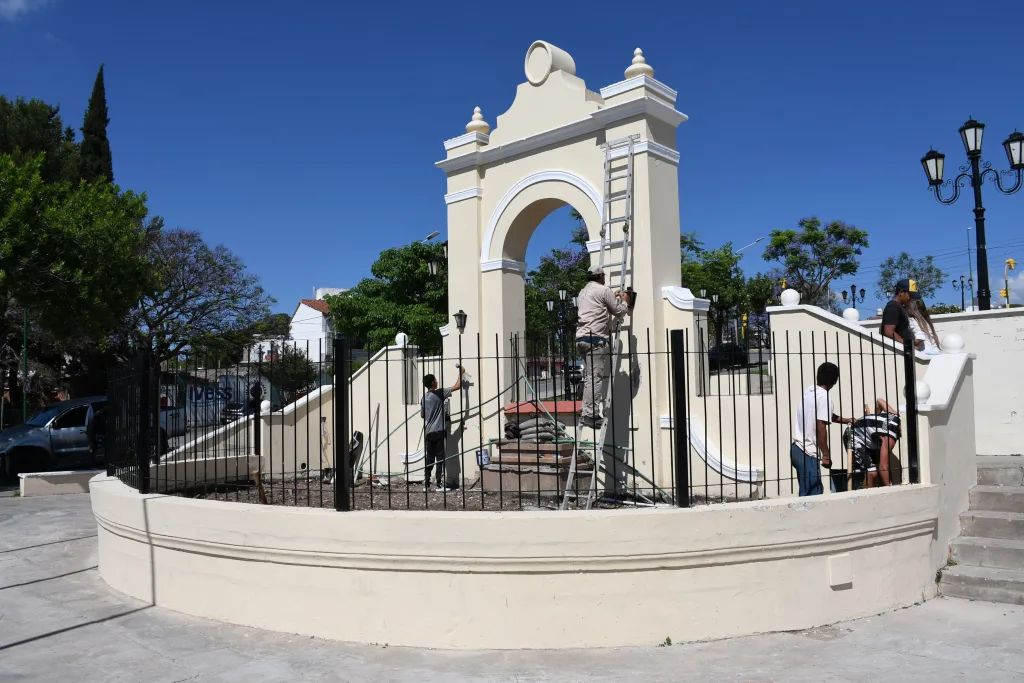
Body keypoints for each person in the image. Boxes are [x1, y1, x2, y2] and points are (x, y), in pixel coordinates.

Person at [575, 263, 631, 429]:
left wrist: (611, 296)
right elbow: (619, 311)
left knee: (588, 377)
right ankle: (590, 415)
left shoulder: (583, 292)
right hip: (595, 340)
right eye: (604, 276)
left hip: (581, 338)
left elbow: (597, 304)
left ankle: (586, 412)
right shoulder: (603, 290)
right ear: (600, 276)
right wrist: (625, 301)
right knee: (595, 378)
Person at [791, 362, 854, 496]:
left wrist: (846, 420)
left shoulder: (809, 391)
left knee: (806, 492)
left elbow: (823, 414)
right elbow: (821, 425)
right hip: (808, 451)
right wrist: (826, 455)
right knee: (813, 496)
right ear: (835, 381)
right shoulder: (825, 397)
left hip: (796, 448)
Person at [841, 399, 901, 489]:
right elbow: (883, 467)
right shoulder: (890, 437)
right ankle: (869, 497)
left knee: (879, 467)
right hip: (854, 436)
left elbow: (879, 401)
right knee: (872, 472)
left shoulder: (896, 416)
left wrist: (876, 418)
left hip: (869, 439)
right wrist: (891, 490)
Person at [420, 369, 464, 492]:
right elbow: (457, 386)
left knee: (429, 458)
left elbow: (422, 415)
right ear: (433, 383)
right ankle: (439, 485)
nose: (437, 381)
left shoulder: (424, 397)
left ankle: (426, 485)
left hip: (429, 432)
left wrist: (432, 412)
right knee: (440, 458)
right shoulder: (439, 393)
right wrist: (461, 373)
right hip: (439, 430)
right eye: (436, 380)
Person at [881, 279, 922, 351]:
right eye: (910, 295)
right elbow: (888, 331)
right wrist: (908, 345)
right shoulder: (893, 307)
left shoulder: (900, 307)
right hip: (899, 352)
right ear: (901, 292)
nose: (912, 298)